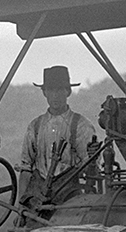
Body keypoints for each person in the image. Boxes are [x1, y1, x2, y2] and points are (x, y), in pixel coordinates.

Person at [18, 66, 98, 207]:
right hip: (37, 197)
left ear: (68, 92)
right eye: (51, 90)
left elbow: (91, 169)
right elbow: (26, 169)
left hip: (69, 198)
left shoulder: (81, 126)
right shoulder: (35, 127)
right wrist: (21, 207)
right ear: (45, 93)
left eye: (60, 90)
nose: (55, 95)